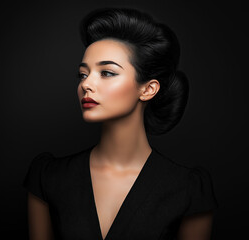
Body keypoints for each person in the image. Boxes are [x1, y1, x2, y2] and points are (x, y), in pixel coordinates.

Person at [23, 7, 218, 240]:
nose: (86, 85)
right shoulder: (48, 176)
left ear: (148, 89)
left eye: (106, 73)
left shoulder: (188, 189)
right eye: (83, 74)